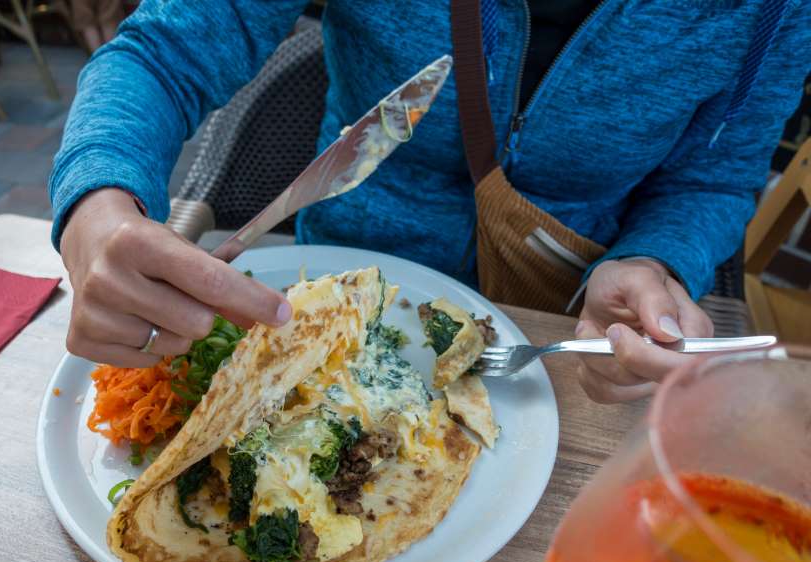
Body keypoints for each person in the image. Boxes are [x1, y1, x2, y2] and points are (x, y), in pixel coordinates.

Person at [48, 1, 810, 404]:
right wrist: (97, 206)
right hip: (337, 307)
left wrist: (655, 258)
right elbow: (163, 52)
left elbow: (714, 174)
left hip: (570, 344)